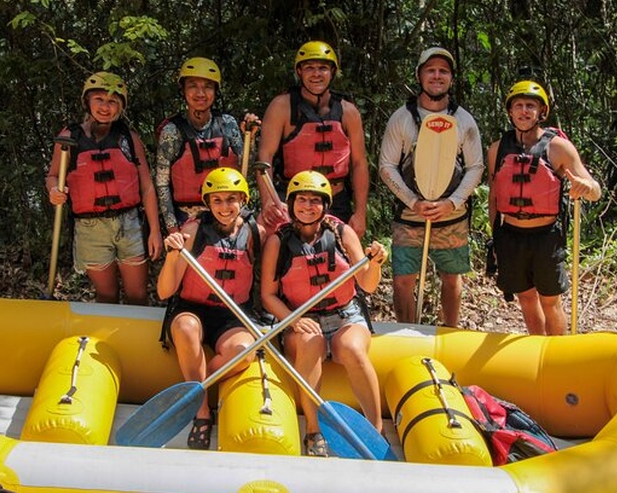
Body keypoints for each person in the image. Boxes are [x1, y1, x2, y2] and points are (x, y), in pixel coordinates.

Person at [259, 170, 387, 457]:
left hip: (345, 314)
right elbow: (267, 296)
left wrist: (375, 263)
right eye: (301, 200)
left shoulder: (342, 233)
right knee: (310, 342)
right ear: (291, 204)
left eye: (315, 201)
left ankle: (375, 429)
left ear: (326, 205)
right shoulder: (278, 242)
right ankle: (313, 431)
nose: (307, 206)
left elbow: (366, 283)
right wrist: (294, 319)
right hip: (302, 319)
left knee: (352, 348)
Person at [157, 167, 266, 449]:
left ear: (243, 200)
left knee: (243, 353)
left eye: (231, 199)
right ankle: (202, 412)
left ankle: (195, 389)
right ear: (207, 203)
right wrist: (171, 257)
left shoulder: (256, 232)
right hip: (192, 309)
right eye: (217, 200)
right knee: (185, 327)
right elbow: (164, 291)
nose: (225, 207)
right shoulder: (192, 231)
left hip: (232, 315)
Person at [378, 47, 484, 327]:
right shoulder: (401, 118)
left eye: (443, 71)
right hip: (410, 215)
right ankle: (407, 332)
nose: (437, 76)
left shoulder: (464, 120)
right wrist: (413, 201)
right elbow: (387, 165)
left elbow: (476, 167)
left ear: (451, 78)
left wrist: (452, 202)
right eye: (431, 70)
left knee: (451, 277)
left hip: (451, 215)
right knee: (403, 280)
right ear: (419, 75)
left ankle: (450, 332)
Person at [487, 80, 601, 335]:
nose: (524, 111)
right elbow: (494, 196)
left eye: (530, 106)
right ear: (510, 111)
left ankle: (556, 354)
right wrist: (495, 237)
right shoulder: (497, 149)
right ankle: (536, 347)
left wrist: (586, 186)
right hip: (511, 234)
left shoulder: (558, 147)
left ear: (541, 112)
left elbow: (595, 190)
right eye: (518, 105)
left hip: (546, 237)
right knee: (526, 298)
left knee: (550, 301)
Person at [46, 71, 162, 304]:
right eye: (99, 99)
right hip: (90, 228)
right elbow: (53, 176)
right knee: (106, 295)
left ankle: (134, 339)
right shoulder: (69, 137)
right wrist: (53, 191)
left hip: (129, 223)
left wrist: (155, 231)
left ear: (120, 107)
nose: (105, 107)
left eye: (112, 101)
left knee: (137, 295)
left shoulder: (129, 138)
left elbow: (147, 187)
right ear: (87, 101)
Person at [256, 41, 369, 237]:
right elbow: (265, 156)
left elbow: (359, 163)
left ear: (332, 72)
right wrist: (268, 201)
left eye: (323, 68)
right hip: (293, 200)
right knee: (265, 238)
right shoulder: (282, 107)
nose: (316, 74)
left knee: (345, 259)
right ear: (299, 72)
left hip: (336, 199)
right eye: (309, 68)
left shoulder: (348, 112)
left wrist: (360, 213)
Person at [155, 57, 260, 235]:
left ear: (215, 91)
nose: (200, 93)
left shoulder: (228, 124)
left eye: (208, 87)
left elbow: (246, 170)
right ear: (183, 90)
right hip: (188, 217)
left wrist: (250, 137)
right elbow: (162, 183)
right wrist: (172, 227)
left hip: (228, 214)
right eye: (193, 86)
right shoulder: (172, 131)